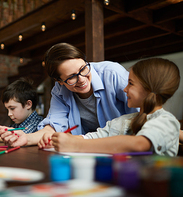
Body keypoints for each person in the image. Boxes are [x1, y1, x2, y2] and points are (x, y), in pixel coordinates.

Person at [0, 43, 138, 148]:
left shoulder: (112, 74)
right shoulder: (59, 91)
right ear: (59, 81)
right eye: (72, 77)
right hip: (88, 149)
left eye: (83, 69)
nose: (82, 79)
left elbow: (143, 113)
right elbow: (53, 127)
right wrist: (26, 139)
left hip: (126, 145)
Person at [51, 58, 181, 156]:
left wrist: (76, 144)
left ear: (148, 89)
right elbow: (92, 137)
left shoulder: (166, 121)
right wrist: (64, 139)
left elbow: (139, 144)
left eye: (130, 83)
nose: (125, 89)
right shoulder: (122, 121)